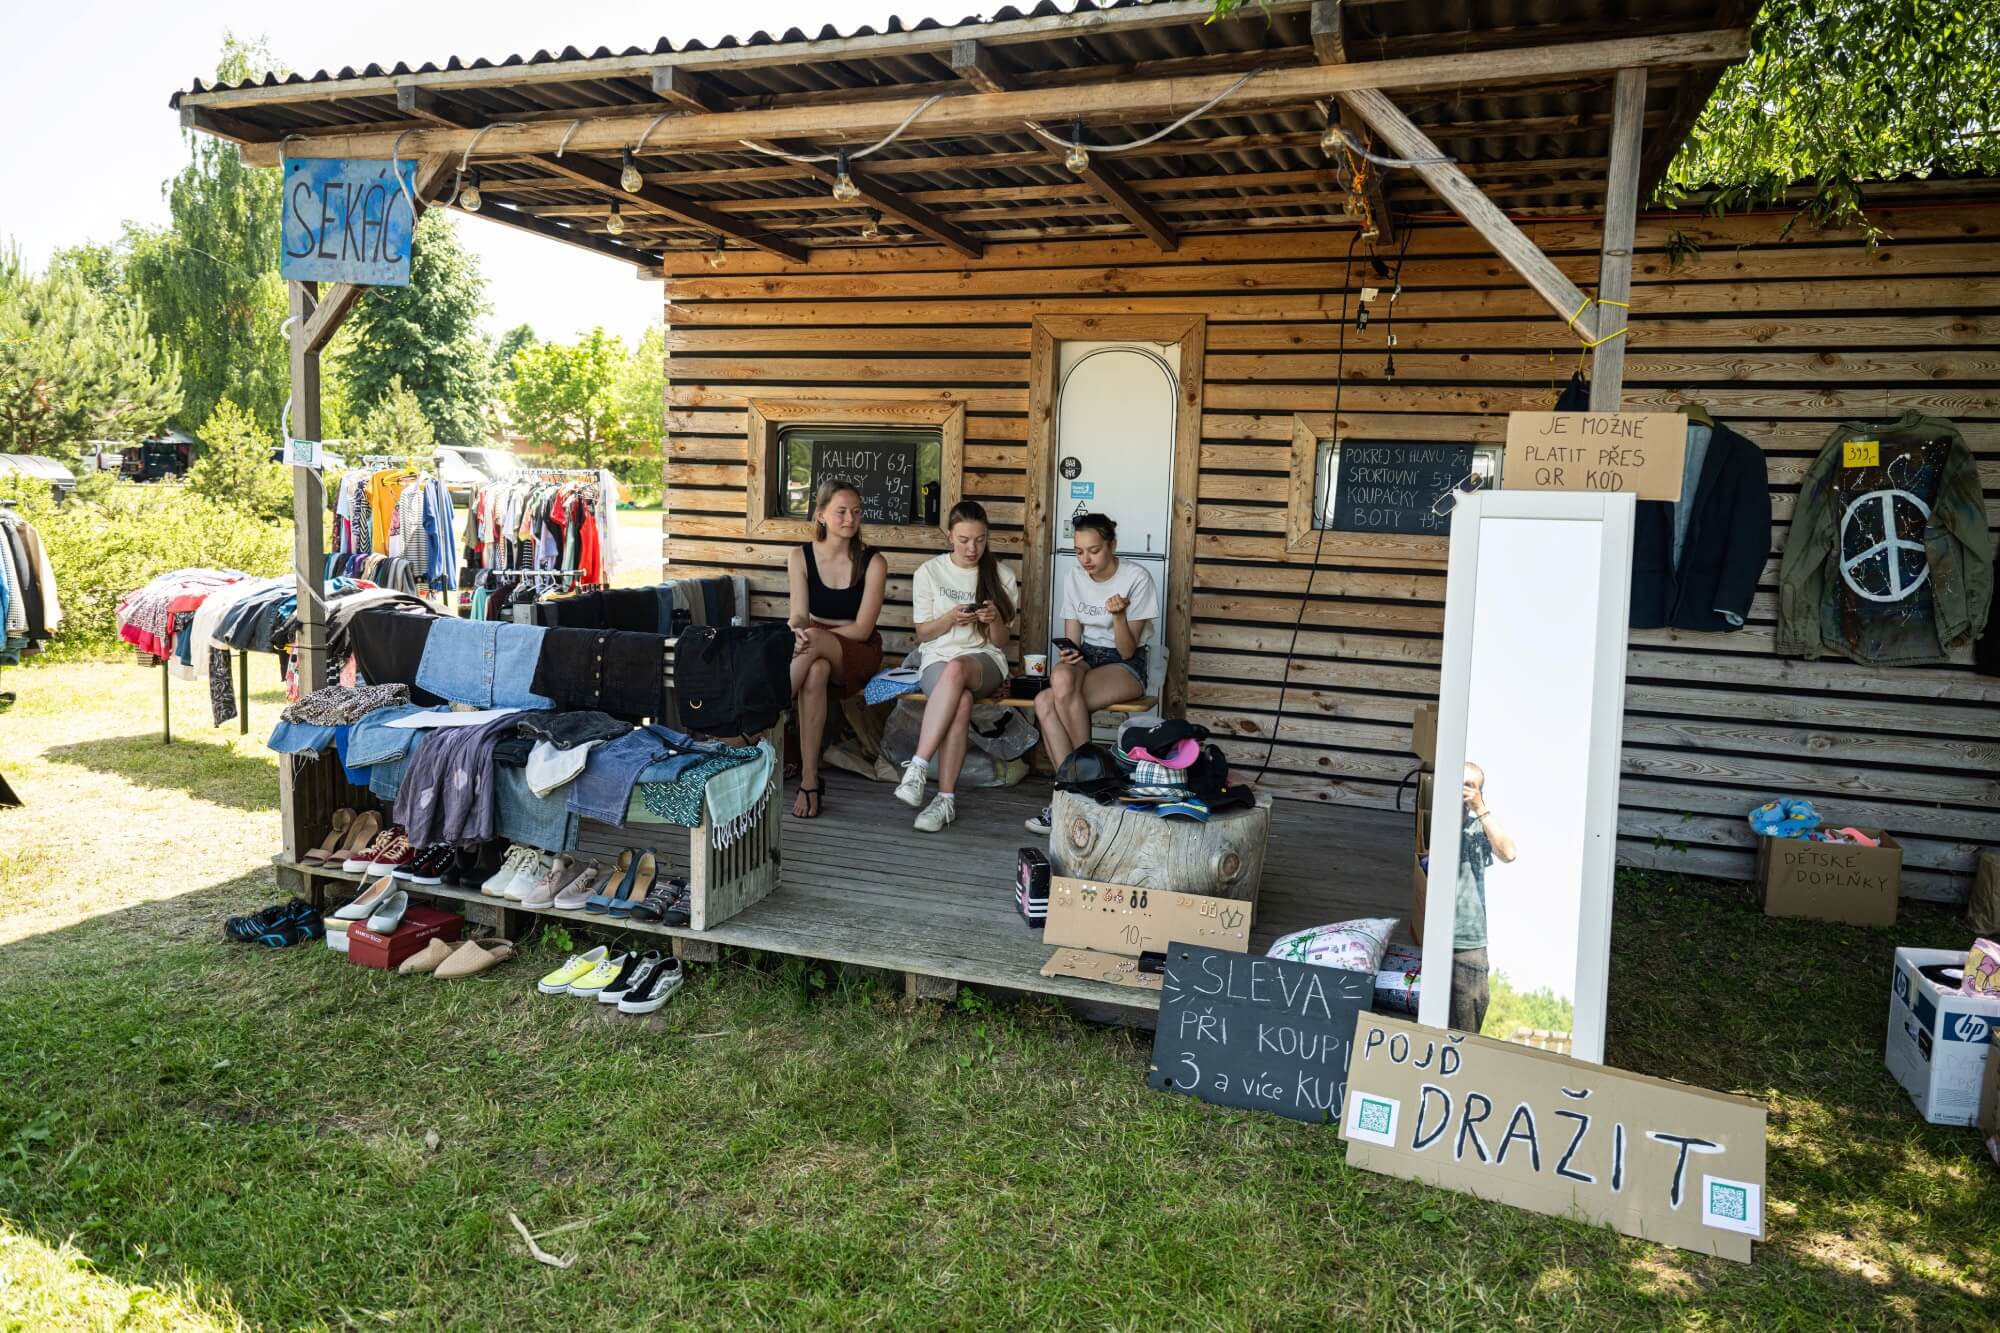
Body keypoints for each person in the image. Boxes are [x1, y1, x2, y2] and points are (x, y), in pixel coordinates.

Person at [1026, 514, 1157, 834]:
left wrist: (1119, 615)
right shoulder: (1074, 577)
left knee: (1046, 703)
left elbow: (1127, 650)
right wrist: (1068, 652)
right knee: (1058, 681)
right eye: (1080, 551)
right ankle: (1083, 787)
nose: (1086, 559)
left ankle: (1071, 793)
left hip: (1125, 663)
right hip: (1087, 657)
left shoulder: (1136, 578)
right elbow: (1072, 637)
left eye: (1094, 550)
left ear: (1113, 545)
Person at [895, 501, 1017, 833]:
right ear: (950, 536)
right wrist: (950, 618)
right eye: (964, 539)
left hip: (984, 662)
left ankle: (918, 767)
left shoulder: (1002, 576)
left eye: (980, 540)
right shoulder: (930, 572)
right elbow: (923, 633)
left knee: (958, 669)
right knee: (960, 699)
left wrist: (992, 620)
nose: (972, 548)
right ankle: (944, 800)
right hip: (936, 658)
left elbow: (1001, 641)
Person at [786, 480, 888, 818]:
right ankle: (810, 781)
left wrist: (812, 637)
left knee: (814, 643)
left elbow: (862, 628)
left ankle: (760, 715)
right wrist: (798, 631)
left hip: (858, 650)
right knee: (815, 672)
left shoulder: (873, 562)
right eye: (841, 511)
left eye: (856, 512)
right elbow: (799, 614)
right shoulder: (799, 556)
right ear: (820, 515)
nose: (850, 518)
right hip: (813, 647)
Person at [1450, 761, 1518, 1035]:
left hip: (1468, 943)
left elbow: (1509, 853)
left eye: (1469, 785)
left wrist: (1480, 808)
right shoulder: (1434, 820)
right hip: (1429, 934)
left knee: (1465, 1032)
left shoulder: (1478, 828)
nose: (1462, 790)